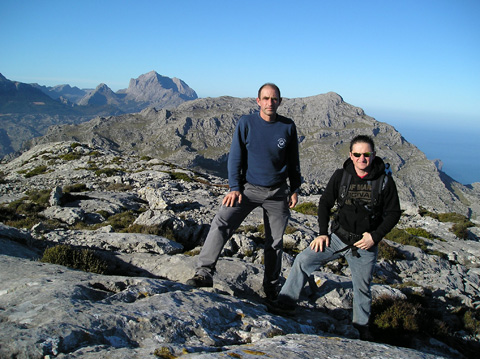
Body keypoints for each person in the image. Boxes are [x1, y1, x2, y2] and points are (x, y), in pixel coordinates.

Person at [271, 135, 401, 340]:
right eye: (357, 154)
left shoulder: (384, 181)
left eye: (366, 154)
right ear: (350, 155)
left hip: (364, 245)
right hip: (337, 238)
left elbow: (394, 213)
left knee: (362, 287)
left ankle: (361, 328)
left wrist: (375, 237)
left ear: (373, 155)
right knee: (303, 260)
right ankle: (285, 304)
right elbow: (324, 203)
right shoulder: (341, 176)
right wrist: (322, 233)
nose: (362, 158)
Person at [187, 83, 302, 301]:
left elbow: (293, 160)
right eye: (266, 99)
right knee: (222, 221)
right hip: (248, 189)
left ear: (280, 101)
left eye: (274, 99)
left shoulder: (288, 126)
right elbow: (235, 157)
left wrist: (294, 188)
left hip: (278, 193)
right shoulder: (246, 123)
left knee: (275, 242)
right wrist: (234, 188)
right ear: (258, 101)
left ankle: (270, 289)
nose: (270, 103)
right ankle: (204, 273)